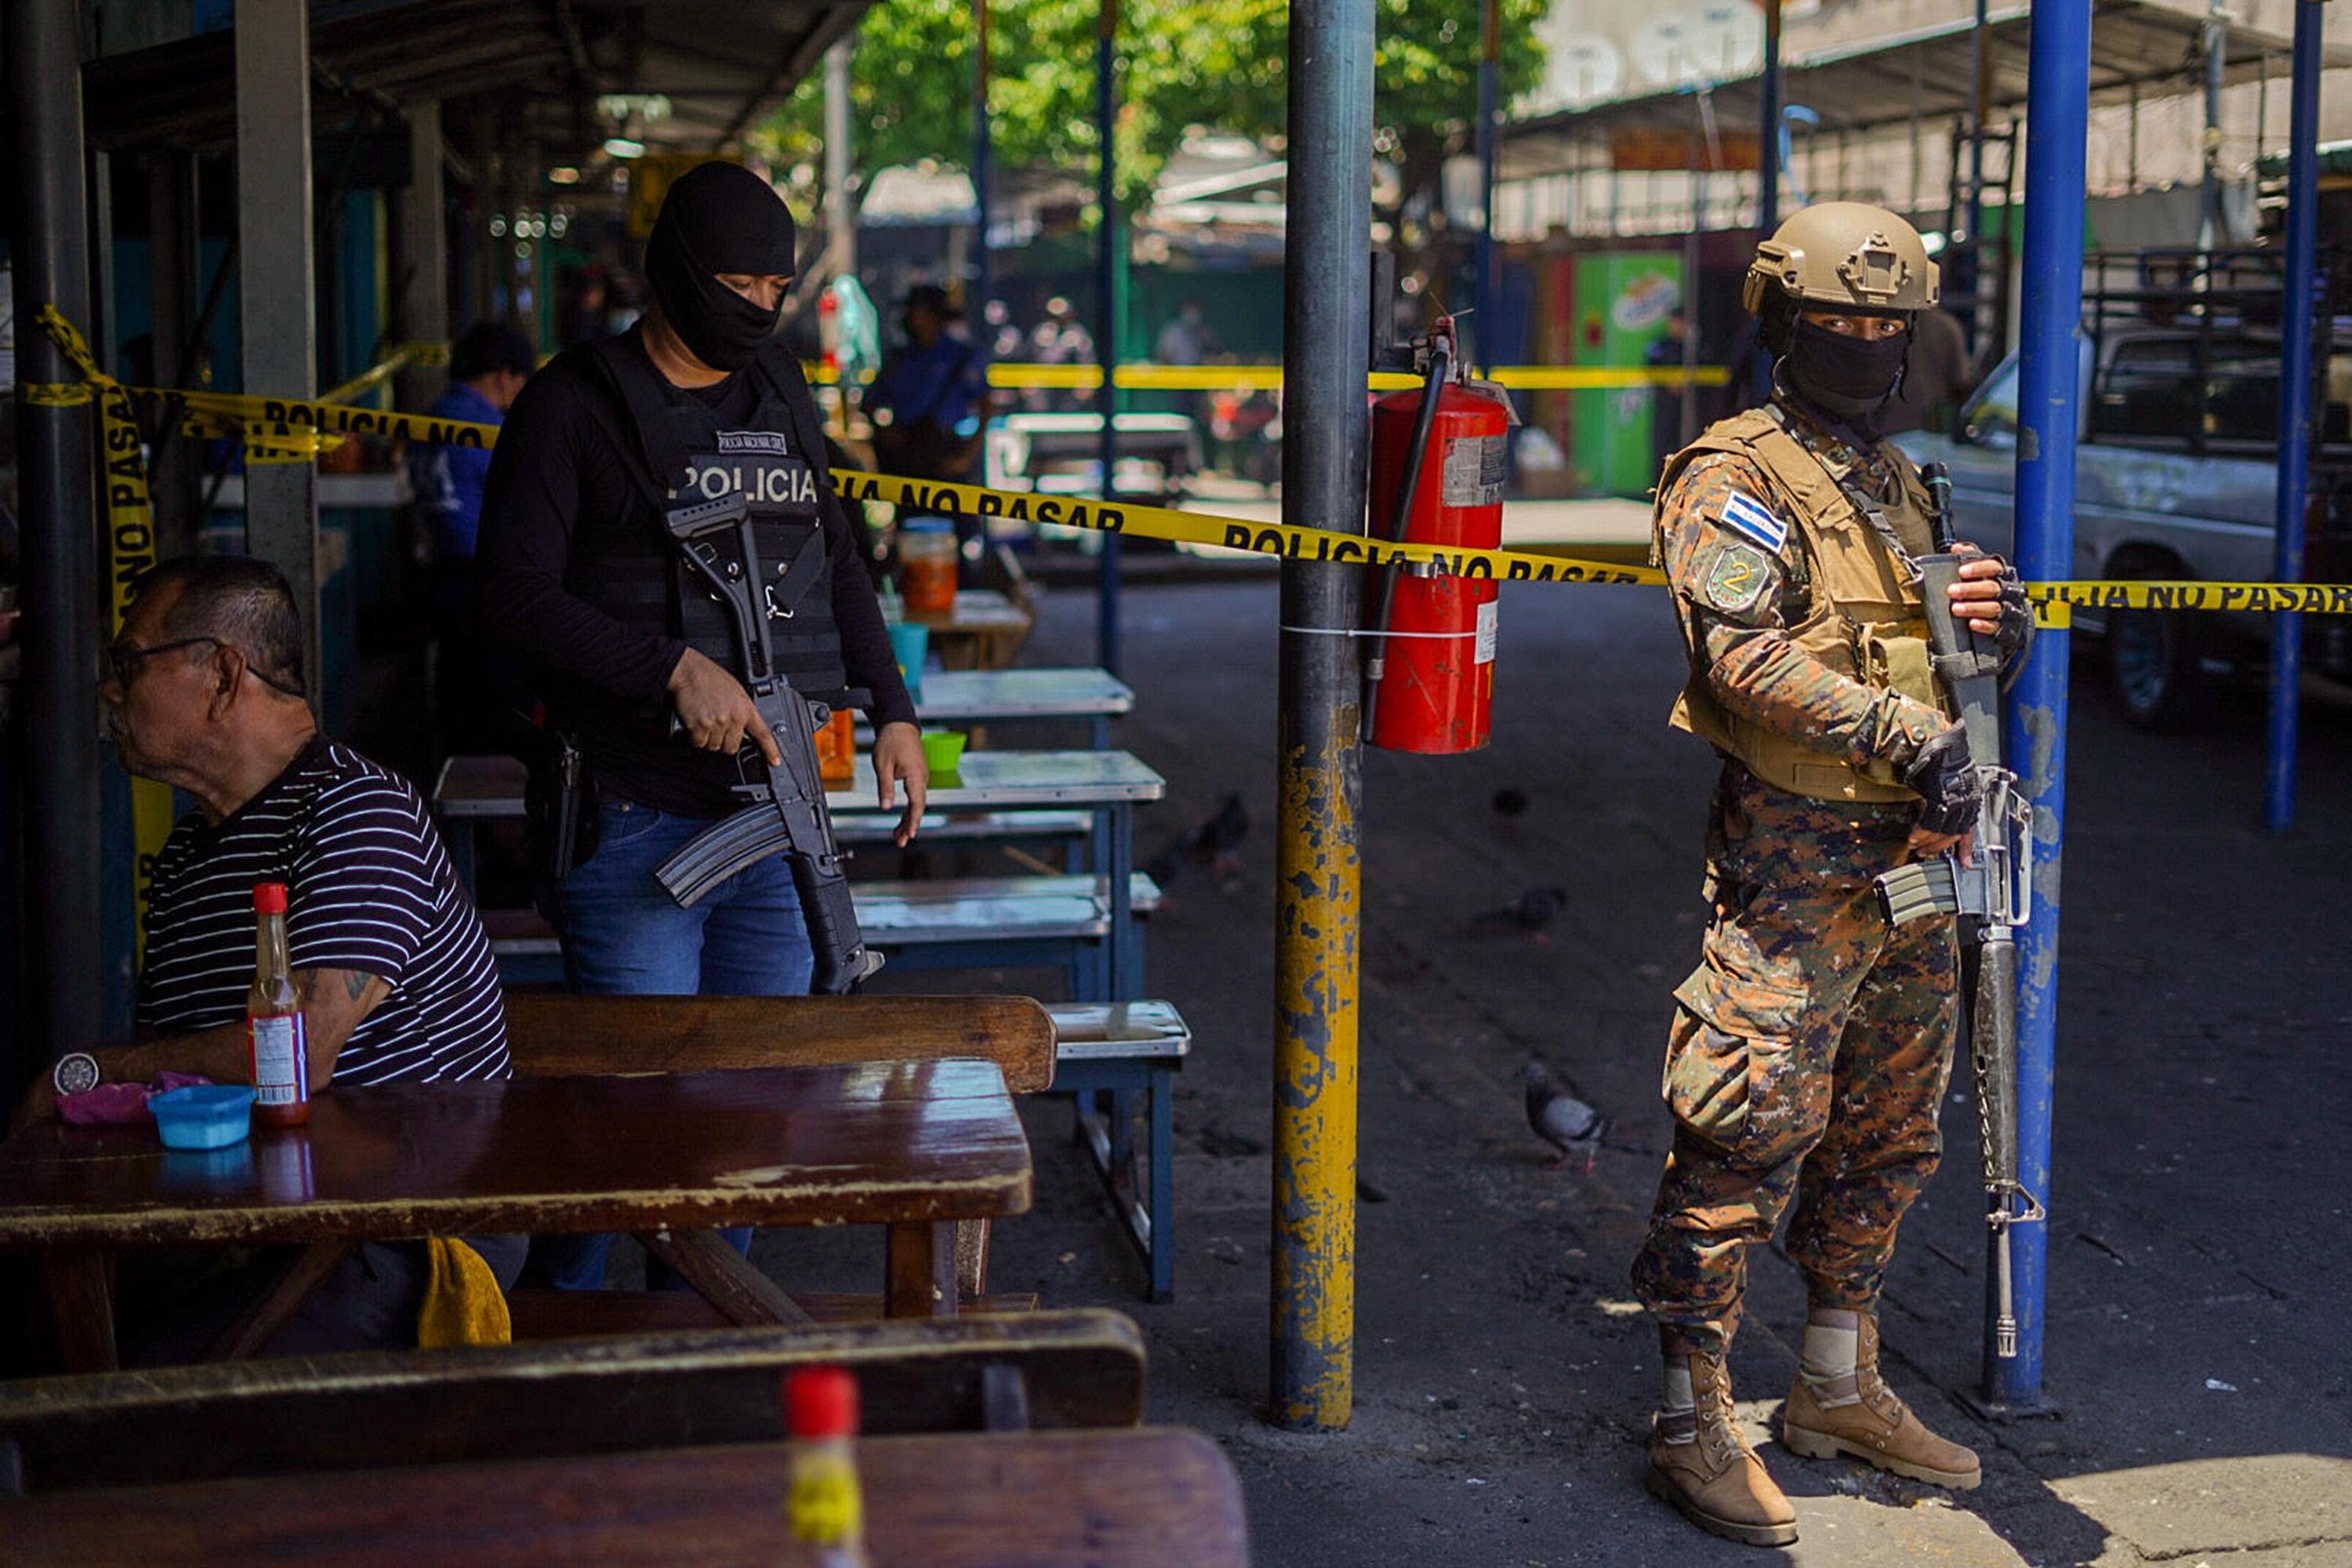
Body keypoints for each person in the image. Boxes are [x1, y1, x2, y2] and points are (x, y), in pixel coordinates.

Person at [1632, 202, 2034, 1548]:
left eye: (1888, 324)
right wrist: (1919, 738)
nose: (1867, 343)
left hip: (1917, 860)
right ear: (1781, 325)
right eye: (1840, 321)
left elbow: (1927, 648)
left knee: (1889, 1125)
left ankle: (1833, 1385)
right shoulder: (1731, 474)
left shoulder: (1898, 480)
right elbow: (1739, 658)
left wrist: (1996, 634)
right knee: (1747, 1120)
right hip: (1799, 861)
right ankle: (1693, 1412)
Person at [472, 159, 926, 1292]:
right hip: (631, 813)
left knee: (750, 1113)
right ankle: (558, 1337)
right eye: (737, 284)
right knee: (633, 1110)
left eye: (776, 288)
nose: (760, 309)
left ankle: (711, 1339)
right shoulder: (574, 404)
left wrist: (896, 710)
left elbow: (841, 569)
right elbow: (512, 598)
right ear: (674, 274)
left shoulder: (783, 392)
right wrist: (669, 666)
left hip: (784, 811)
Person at [10, 554, 516, 1353]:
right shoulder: (189, 853)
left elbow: (300, 1049)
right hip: (268, 1221)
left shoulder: (357, 810)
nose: (110, 690)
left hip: (403, 1240)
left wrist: (90, 1071)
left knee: (131, 1386)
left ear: (222, 673)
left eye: (128, 661)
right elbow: (186, 1086)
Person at [407, 321, 535, 750]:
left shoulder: (431, 418)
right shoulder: (488, 428)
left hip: (440, 570)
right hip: (487, 578)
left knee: (456, 694)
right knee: (496, 707)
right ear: (504, 375)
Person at [864, 284, 996, 581]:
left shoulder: (960, 356)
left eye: (919, 311)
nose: (912, 318)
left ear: (935, 316)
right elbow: (869, 402)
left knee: (956, 535)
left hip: (945, 457)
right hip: (908, 459)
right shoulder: (901, 358)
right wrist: (884, 433)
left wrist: (966, 457)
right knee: (909, 534)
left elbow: (987, 406)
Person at [1875, 303, 1973, 436]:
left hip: (1886, 428)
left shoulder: (1881, 326)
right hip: (1929, 432)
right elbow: (1960, 385)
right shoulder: (1947, 326)